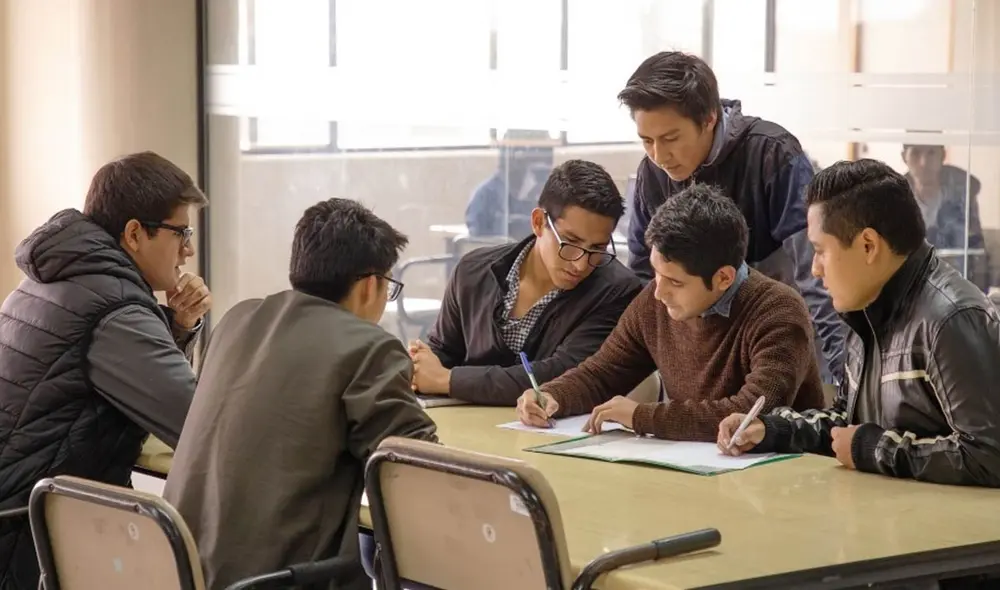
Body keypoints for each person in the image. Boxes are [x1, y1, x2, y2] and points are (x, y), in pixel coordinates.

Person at [163, 198, 438, 590]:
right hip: (275, 580)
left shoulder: (236, 321)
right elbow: (418, 469)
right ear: (369, 285)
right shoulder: (367, 346)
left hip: (182, 571)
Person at [718, 159, 1000, 488]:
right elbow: (849, 423)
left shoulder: (950, 319)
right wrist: (773, 430)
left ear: (868, 245)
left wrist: (871, 449)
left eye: (821, 251)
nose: (815, 269)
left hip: (953, 535)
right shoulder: (868, 306)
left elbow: (987, 455)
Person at [0, 151, 209, 589]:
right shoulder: (114, 310)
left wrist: (178, 326)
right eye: (181, 232)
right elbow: (198, 423)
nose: (188, 249)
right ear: (134, 233)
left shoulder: (55, 277)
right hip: (29, 543)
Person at [516, 183, 824, 440]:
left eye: (675, 281)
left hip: (780, 483)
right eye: (655, 273)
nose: (659, 292)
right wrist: (552, 395)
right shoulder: (655, 298)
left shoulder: (778, 311)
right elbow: (604, 371)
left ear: (724, 278)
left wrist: (643, 416)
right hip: (692, 470)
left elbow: (753, 413)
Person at [619, 51, 844, 385]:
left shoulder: (772, 154)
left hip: (775, 343)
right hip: (698, 352)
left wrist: (841, 377)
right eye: (646, 141)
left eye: (670, 138)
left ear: (709, 118)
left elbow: (818, 275)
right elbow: (642, 275)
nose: (659, 155)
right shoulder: (652, 173)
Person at [411, 159, 643, 405]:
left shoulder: (617, 291)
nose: (581, 264)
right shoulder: (473, 271)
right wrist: (419, 366)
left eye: (598, 248)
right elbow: (443, 351)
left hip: (551, 436)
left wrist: (448, 381)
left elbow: (563, 376)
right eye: (570, 243)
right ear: (538, 222)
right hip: (465, 426)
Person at [901, 142, 989, 290]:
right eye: (916, 153)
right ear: (904, 157)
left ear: (943, 155)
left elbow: (975, 251)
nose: (923, 163)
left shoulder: (963, 193)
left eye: (931, 153)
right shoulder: (897, 197)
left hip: (958, 286)